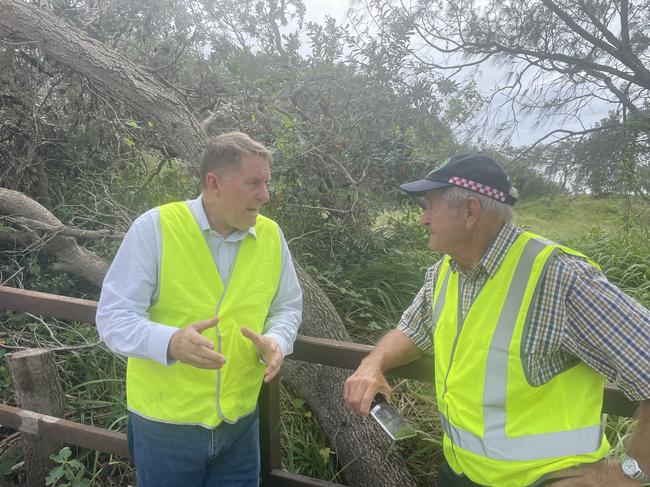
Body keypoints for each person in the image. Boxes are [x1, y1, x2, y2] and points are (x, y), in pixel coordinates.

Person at [344, 154, 649, 486]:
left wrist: (628, 474)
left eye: (430, 205)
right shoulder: (446, 272)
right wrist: (374, 363)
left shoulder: (559, 278)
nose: (423, 219)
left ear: (471, 211)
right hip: (458, 472)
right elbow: (413, 332)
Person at [96, 132, 302, 487]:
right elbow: (113, 317)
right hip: (165, 428)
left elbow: (287, 307)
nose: (265, 195)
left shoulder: (271, 236)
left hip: (240, 424)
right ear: (214, 182)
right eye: (254, 183)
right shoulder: (155, 228)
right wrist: (171, 342)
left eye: (266, 183)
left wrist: (277, 340)